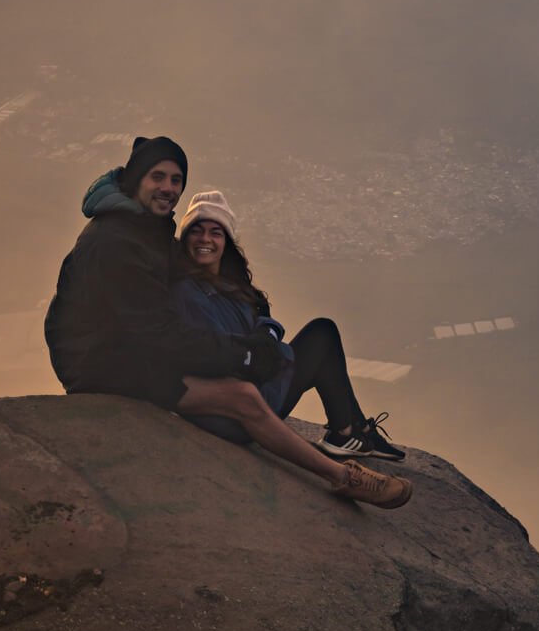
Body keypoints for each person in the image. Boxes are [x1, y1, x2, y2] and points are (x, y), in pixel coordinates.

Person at [44, 135, 411, 508]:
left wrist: (257, 339)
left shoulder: (143, 228)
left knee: (264, 371)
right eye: (158, 177)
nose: (169, 188)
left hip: (124, 351)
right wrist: (244, 357)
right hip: (106, 366)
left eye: (176, 180)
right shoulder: (117, 242)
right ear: (136, 178)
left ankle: (346, 435)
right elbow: (159, 335)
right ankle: (343, 476)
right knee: (242, 396)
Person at [175, 188, 406, 464]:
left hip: (255, 388)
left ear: (226, 242)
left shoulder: (227, 287)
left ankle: (351, 429)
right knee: (322, 335)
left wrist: (267, 334)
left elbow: (261, 319)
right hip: (240, 408)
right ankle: (347, 433)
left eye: (216, 232)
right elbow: (220, 354)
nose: (205, 239)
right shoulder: (187, 292)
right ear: (185, 237)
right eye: (196, 231)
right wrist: (263, 348)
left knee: (322, 333)